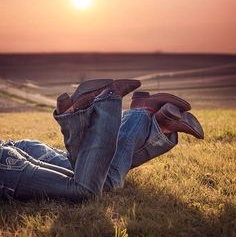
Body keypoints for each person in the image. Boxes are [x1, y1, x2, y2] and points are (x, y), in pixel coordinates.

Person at [0, 79, 204, 202]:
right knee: (94, 173)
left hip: (6, 168)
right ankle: (151, 117)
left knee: (89, 188)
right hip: (15, 148)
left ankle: (108, 102)